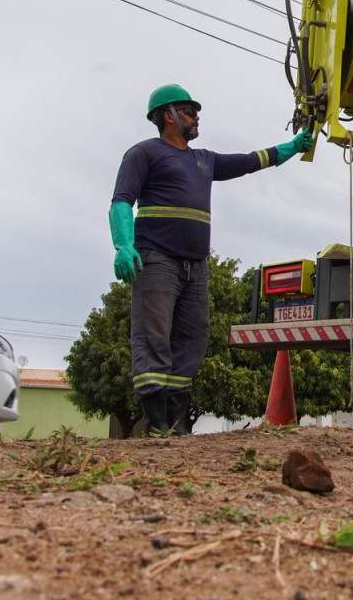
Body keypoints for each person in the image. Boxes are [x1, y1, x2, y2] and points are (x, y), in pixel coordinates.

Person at [109, 84, 313, 436]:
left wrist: (291, 148)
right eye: (189, 110)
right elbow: (121, 201)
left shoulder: (204, 159)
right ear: (168, 115)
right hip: (156, 261)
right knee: (153, 337)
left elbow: (250, 161)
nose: (196, 116)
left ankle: (175, 425)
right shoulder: (144, 153)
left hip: (196, 266)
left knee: (193, 337)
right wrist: (123, 245)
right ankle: (156, 425)